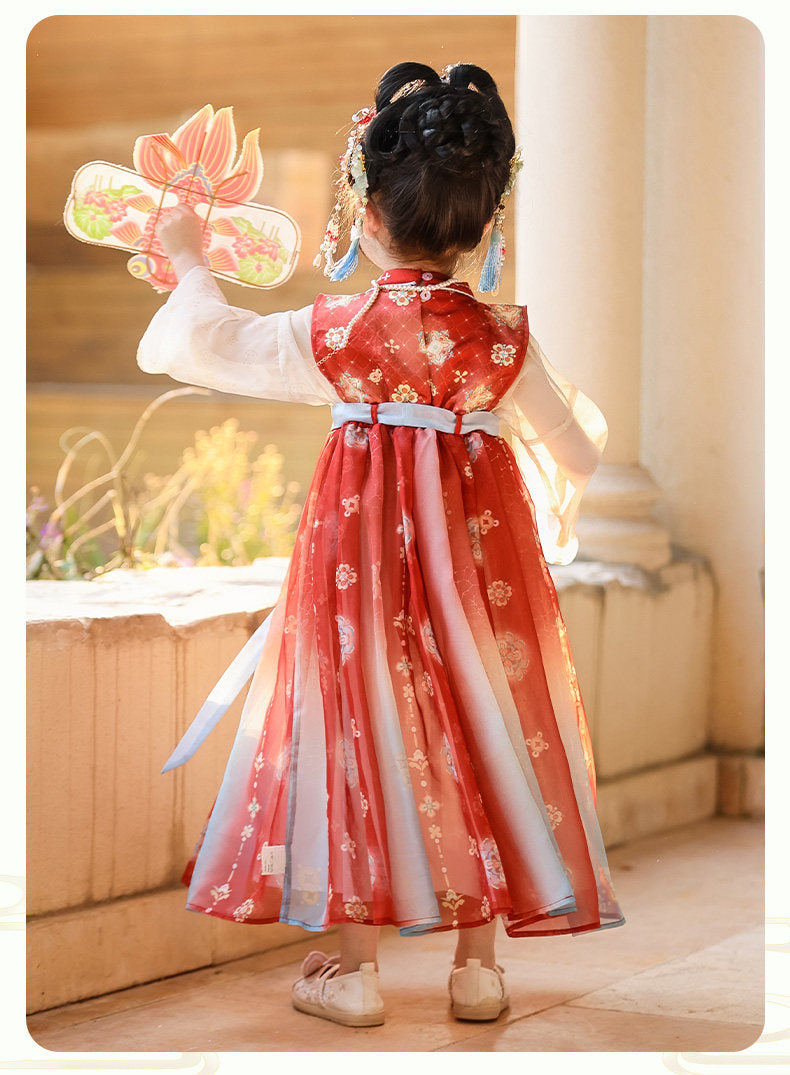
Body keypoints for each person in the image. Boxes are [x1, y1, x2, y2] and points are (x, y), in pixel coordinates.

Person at [137, 61, 625, 1030]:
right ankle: (478, 969)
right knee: (482, 727)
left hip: (354, 575)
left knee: (348, 731)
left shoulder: (332, 331)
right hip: (477, 583)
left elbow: (202, 342)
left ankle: (352, 970)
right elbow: (576, 446)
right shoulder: (501, 341)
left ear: (364, 219)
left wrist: (193, 258)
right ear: (486, 228)